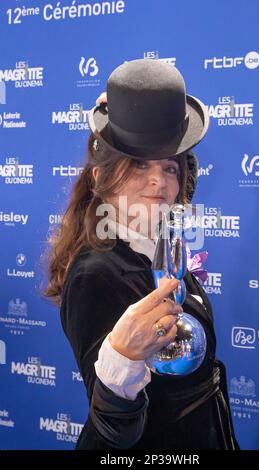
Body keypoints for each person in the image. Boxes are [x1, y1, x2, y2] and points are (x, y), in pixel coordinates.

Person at [44, 59, 239, 450]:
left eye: (170, 168)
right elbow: (116, 430)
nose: (158, 181)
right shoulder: (97, 273)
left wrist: (139, 123)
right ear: (100, 177)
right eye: (137, 165)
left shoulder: (158, 239)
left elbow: (174, 184)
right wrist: (121, 362)